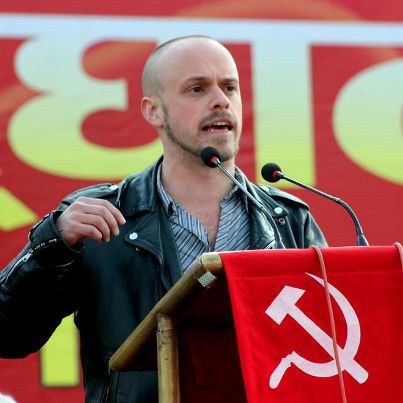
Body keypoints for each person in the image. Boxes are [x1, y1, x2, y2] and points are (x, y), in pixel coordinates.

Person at [0, 35, 326, 402]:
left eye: (229, 87)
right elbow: (8, 335)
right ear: (153, 110)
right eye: (197, 88)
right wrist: (52, 245)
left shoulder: (288, 219)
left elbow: (330, 353)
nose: (220, 100)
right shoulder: (101, 219)